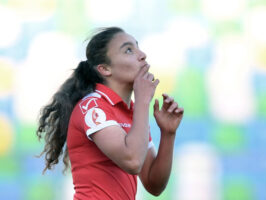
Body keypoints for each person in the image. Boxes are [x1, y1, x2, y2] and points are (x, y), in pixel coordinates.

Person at [36, 27, 184, 200]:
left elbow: (154, 184)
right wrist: (143, 100)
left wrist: (168, 134)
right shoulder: (92, 106)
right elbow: (133, 161)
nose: (142, 54)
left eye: (138, 47)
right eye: (129, 50)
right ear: (105, 69)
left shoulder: (134, 112)